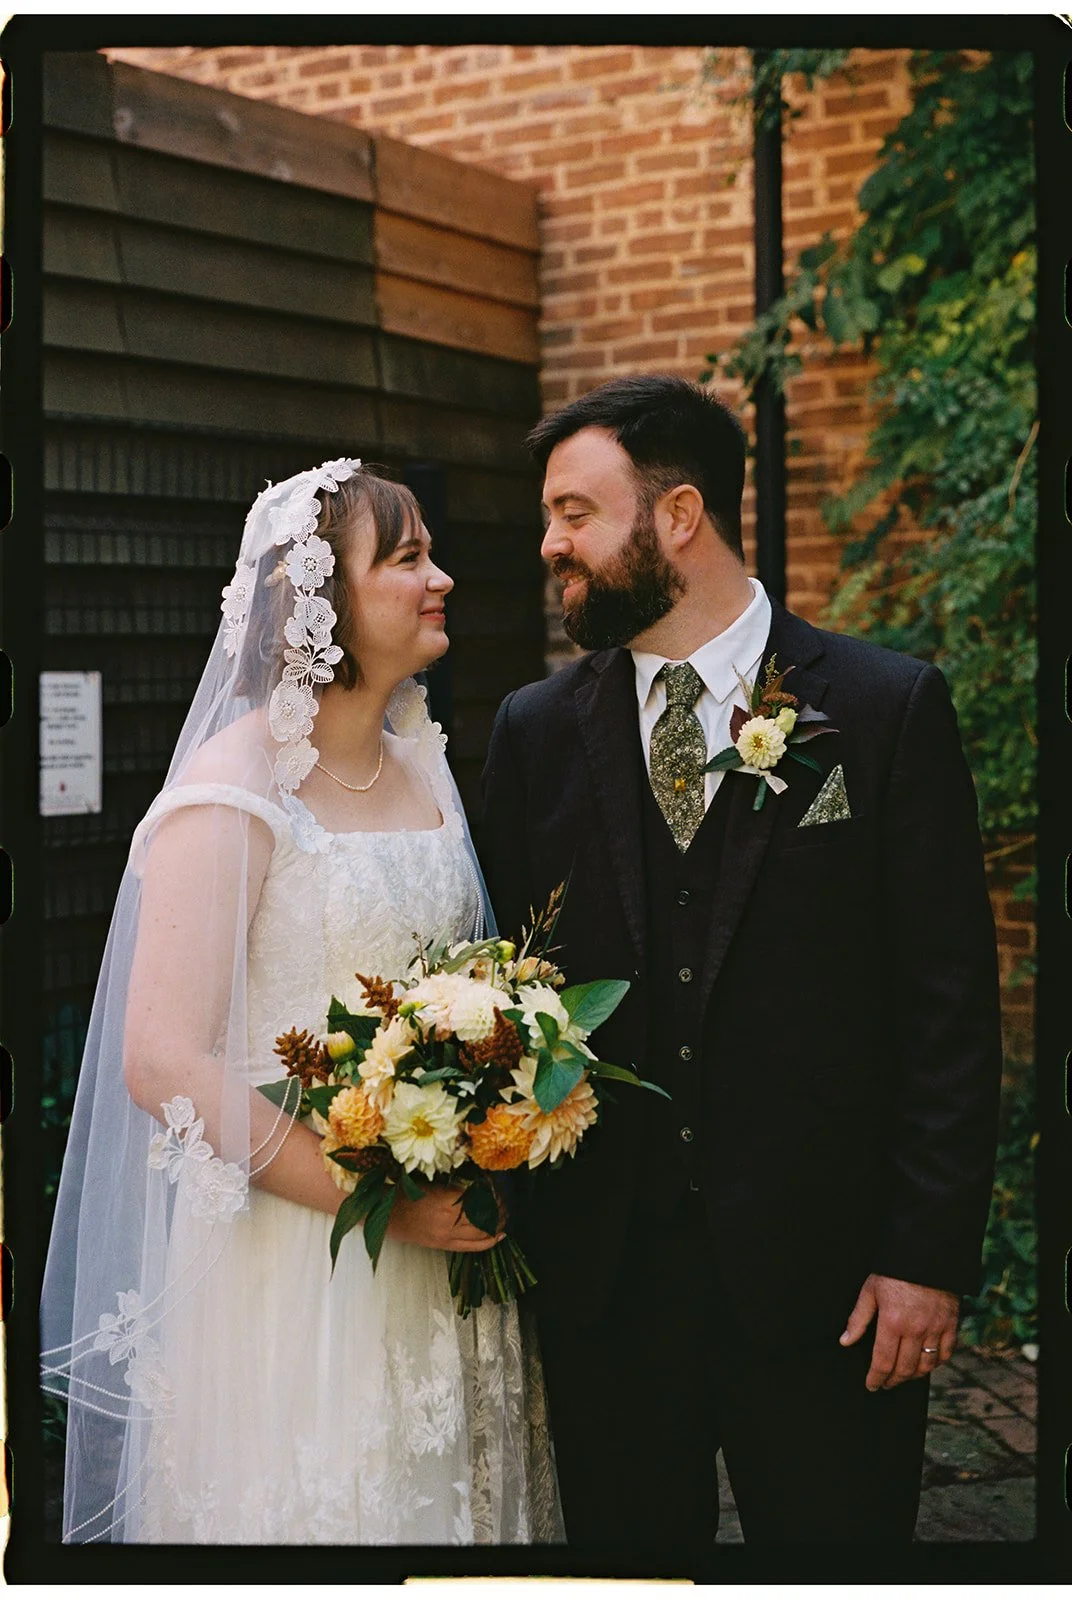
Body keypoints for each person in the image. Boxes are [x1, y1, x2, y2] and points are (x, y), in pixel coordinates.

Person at [479, 375, 1003, 1551]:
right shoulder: (533, 731)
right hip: (607, 1289)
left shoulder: (882, 707)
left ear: (677, 517)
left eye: (575, 512)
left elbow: (949, 1005)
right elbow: (508, 979)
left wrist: (925, 1255)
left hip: (827, 1287)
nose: (549, 544)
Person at [41, 459, 562, 1545]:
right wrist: (377, 1199)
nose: (443, 579)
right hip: (304, 1258)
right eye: (408, 557)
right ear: (320, 598)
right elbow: (162, 1058)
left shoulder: (423, 761)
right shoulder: (235, 783)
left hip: (446, 1249)